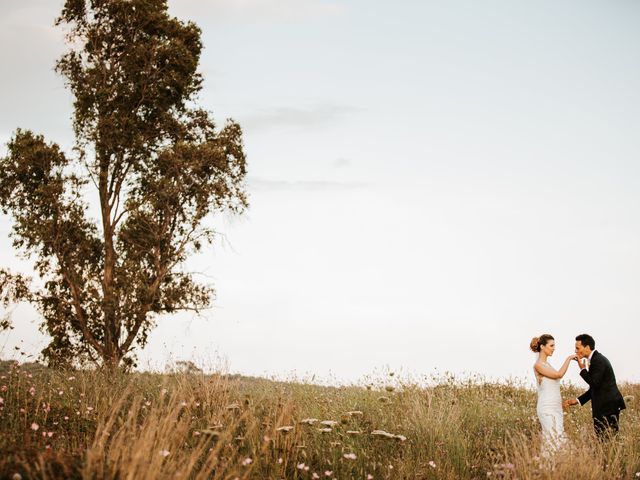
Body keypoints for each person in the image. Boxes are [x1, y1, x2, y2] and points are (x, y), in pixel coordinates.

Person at [563, 333, 626, 439]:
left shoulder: (598, 360)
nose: (575, 351)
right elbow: (595, 387)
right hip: (606, 407)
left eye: (578, 348)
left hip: (608, 407)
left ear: (587, 347)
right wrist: (578, 400)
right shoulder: (595, 359)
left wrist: (582, 369)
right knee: (606, 440)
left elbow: (594, 383)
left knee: (607, 440)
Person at [530, 334, 576, 456]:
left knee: (557, 438)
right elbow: (558, 375)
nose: (554, 348)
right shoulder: (538, 365)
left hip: (556, 407)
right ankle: (547, 469)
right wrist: (569, 359)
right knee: (552, 440)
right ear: (542, 346)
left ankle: (554, 470)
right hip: (546, 407)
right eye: (551, 345)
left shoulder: (548, 365)